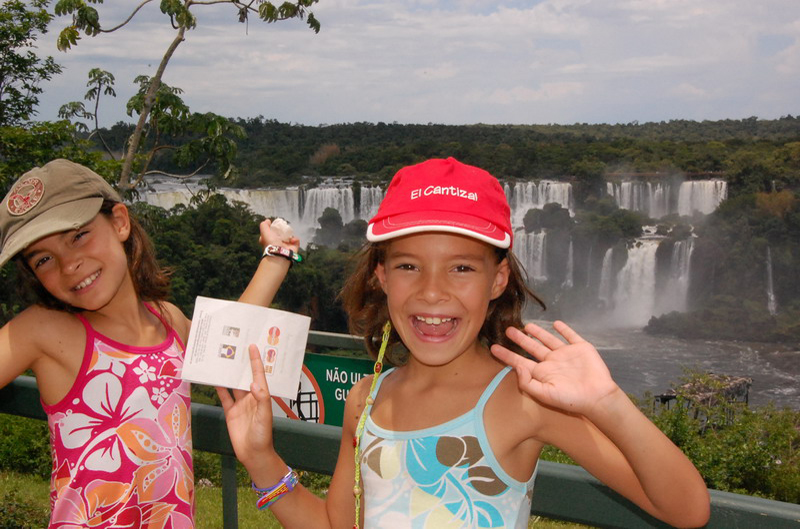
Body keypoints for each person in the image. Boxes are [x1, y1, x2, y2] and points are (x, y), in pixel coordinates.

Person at [218, 157, 711, 528]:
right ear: (381, 276)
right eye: (409, 265)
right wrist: (262, 459)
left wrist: (608, 404)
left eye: (461, 267)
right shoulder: (365, 402)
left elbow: (685, 509)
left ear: (497, 280)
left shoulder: (522, 399)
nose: (433, 291)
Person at [0, 159, 300, 527]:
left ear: (120, 222)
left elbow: (232, 335)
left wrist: (277, 256)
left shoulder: (168, 320)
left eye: (78, 235)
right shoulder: (45, 330)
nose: (68, 264)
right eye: (44, 259)